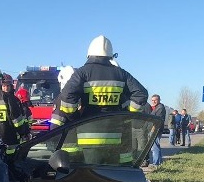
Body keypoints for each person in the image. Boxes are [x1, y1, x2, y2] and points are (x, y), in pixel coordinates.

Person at [55, 36, 148, 164]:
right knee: (110, 177)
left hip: (88, 138)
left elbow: (67, 98)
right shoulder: (121, 73)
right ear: (110, 55)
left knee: (93, 177)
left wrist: (74, 118)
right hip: (115, 138)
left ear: (89, 54)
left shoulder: (82, 73)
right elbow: (141, 94)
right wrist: (127, 114)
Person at [1, 73, 29, 140]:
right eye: (4, 86)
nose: (6, 88)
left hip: (13, 131)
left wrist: (24, 131)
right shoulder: (0, 98)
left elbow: (20, 116)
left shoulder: (15, 99)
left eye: (8, 86)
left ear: (11, 86)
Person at [148, 94, 166, 167]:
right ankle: (159, 162)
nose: (153, 101)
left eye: (155, 100)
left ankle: (156, 164)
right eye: (152, 100)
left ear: (159, 100)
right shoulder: (157, 107)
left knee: (154, 147)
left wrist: (153, 128)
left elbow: (157, 119)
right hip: (155, 128)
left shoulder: (160, 108)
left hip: (155, 129)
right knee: (156, 146)